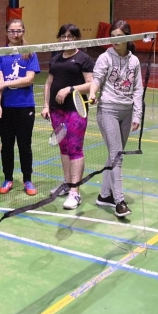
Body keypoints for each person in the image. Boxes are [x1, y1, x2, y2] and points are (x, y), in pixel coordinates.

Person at [89, 20, 143, 218]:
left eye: (119, 37)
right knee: (117, 155)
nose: (115, 40)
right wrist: (92, 93)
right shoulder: (105, 58)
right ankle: (119, 201)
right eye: (112, 37)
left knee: (114, 155)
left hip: (127, 113)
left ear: (128, 37)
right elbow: (97, 79)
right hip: (108, 110)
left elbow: (138, 89)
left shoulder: (134, 61)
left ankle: (104, 195)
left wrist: (137, 114)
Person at [41, 24, 94, 210]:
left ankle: (75, 192)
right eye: (63, 36)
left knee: (74, 148)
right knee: (63, 147)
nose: (66, 39)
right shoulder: (56, 58)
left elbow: (91, 84)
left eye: (70, 36)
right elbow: (48, 83)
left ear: (77, 38)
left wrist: (70, 89)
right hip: (56, 110)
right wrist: (46, 105)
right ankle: (67, 183)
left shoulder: (84, 59)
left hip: (75, 110)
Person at [0, 19, 41, 196]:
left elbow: (29, 79)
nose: (15, 34)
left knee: (24, 145)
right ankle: (8, 179)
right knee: (7, 146)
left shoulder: (29, 53)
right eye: (12, 31)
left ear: (23, 31)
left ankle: (27, 179)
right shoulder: (1, 53)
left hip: (25, 106)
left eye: (19, 30)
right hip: (6, 108)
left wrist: (6, 83)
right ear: (7, 32)